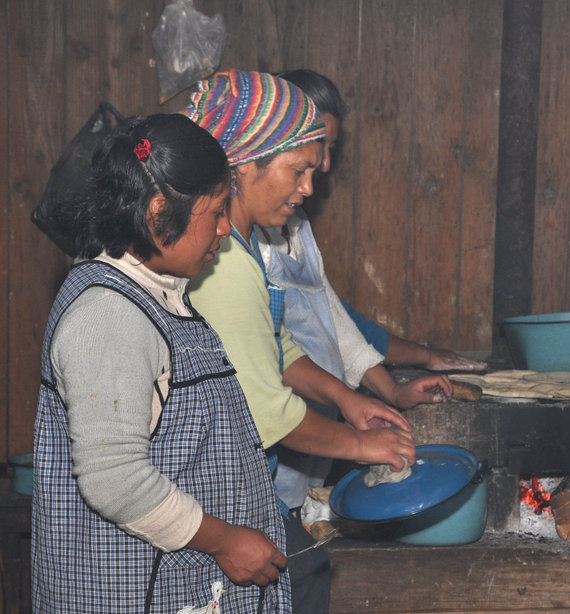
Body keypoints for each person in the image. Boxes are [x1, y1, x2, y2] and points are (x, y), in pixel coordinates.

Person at [184, 70, 449, 613]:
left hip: (226, 476)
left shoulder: (242, 243)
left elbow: (276, 344)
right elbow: (264, 411)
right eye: (299, 169)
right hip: (206, 485)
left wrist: (351, 400)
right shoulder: (227, 263)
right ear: (243, 164)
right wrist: (360, 445)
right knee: (303, 574)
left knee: (304, 567)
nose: (311, 186)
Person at [32, 113, 290, 612]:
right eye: (215, 213)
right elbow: (114, 477)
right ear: (157, 212)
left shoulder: (158, 291)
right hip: (135, 594)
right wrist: (224, 540)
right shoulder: (107, 316)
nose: (224, 230)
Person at [257, 69, 486, 507]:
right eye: (315, 148)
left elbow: (336, 323)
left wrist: (391, 391)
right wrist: (356, 439)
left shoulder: (296, 226)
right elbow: (270, 364)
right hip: (277, 442)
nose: (324, 165)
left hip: (314, 442)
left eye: (330, 148)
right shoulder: (244, 243)